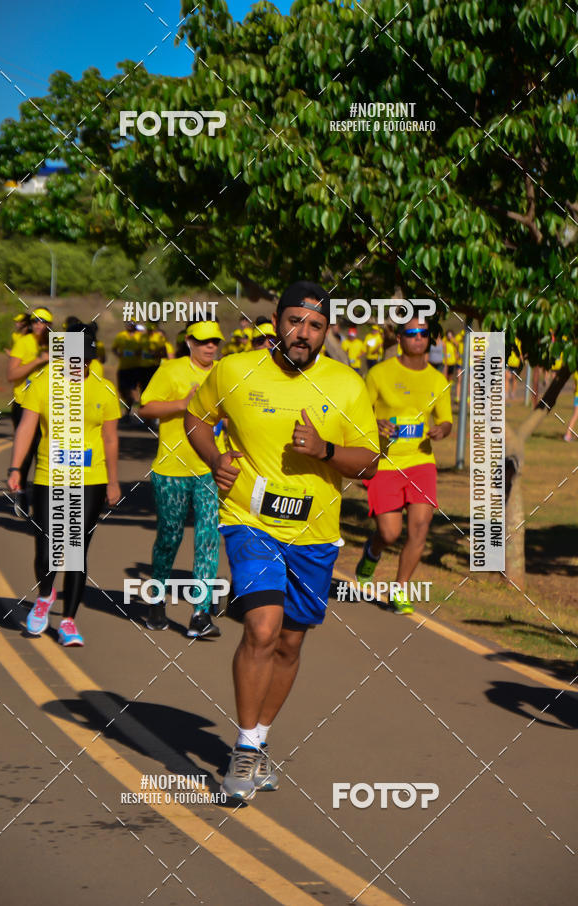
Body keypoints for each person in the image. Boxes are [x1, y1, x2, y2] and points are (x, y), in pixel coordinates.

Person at [185, 281, 379, 800]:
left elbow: (371, 460)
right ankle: (244, 753)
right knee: (263, 629)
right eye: (295, 321)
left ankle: (259, 739)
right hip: (251, 523)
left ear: (326, 332)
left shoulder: (346, 385)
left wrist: (325, 448)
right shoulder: (234, 370)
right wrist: (215, 459)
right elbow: (196, 417)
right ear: (275, 319)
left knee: (290, 644)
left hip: (316, 536)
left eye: (315, 326)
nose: (303, 333)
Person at [7, 323, 121, 646]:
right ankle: (45, 594)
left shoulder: (103, 389)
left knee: (75, 550)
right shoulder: (43, 384)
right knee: (46, 548)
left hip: (91, 479)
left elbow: (110, 439)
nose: (79, 366)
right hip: (48, 475)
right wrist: (16, 467)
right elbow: (27, 427)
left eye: (85, 360)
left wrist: (113, 481)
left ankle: (69, 620)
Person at [356, 317, 452, 614]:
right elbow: (358, 415)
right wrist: (376, 424)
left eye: (424, 334)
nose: (419, 338)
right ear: (400, 338)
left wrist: (441, 430)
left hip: (421, 462)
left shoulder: (437, 380)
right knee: (389, 533)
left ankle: (399, 590)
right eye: (411, 333)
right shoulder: (379, 374)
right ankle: (372, 551)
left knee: (420, 528)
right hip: (385, 463)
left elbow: (446, 420)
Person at [139, 321, 225, 637]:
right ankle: (157, 597)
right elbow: (145, 407)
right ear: (189, 342)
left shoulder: (223, 374)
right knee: (169, 537)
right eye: (203, 342)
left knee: (207, 539)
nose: (210, 347)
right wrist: (182, 404)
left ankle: (200, 614)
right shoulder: (171, 371)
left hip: (209, 470)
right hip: (171, 470)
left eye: (214, 342)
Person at [6, 307, 53, 516]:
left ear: (50, 325)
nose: (37, 325)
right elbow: (11, 374)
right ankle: (22, 490)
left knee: (47, 450)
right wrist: (38, 361)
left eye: (42, 322)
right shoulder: (24, 343)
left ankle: (46, 496)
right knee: (27, 449)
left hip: (51, 406)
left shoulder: (58, 344)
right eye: (34, 321)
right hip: (24, 404)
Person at [112, 320, 141, 419]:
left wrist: (139, 354)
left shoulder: (140, 337)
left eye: (131, 324)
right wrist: (118, 354)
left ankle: (130, 412)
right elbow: (114, 348)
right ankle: (129, 408)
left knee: (132, 390)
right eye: (127, 324)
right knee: (122, 390)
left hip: (135, 367)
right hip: (123, 367)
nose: (129, 326)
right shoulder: (121, 336)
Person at [139, 322, 169, 391]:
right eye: (148, 329)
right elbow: (139, 350)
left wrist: (154, 354)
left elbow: (164, 353)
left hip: (154, 366)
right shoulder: (142, 337)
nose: (149, 331)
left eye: (151, 329)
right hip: (143, 366)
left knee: (154, 386)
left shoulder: (159, 337)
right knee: (143, 387)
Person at [563, 372, 578, 442]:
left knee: (575, 416)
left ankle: (568, 434)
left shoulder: (575, 373)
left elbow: (574, 388)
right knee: (575, 416)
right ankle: (567, 435)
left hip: (576, 396)